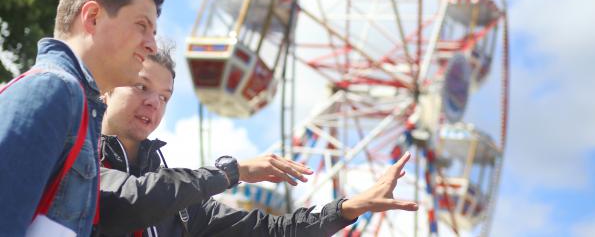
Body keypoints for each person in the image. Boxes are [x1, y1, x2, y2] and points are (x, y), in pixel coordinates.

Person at [97, 44, 418, 236]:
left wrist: (348, 208)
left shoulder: (180, 206)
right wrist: (231, 173)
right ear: (107, 89)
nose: (154, 102)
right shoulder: (80, 158)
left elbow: (272, 231)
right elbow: (131, 201)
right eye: (141, 87)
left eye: (165, 97)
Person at [0, 0, 164, 236]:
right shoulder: (54, 90)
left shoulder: (73, 103)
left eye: (154, 33)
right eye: (142, 26)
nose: (152, 46)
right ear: (93, 18)